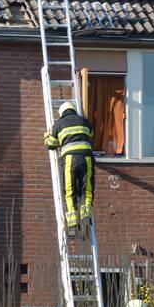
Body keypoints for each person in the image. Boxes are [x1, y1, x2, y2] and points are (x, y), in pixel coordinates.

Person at [44, 101, 96, 236]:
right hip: (87, 159)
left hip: (70, 160)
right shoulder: (85, 121)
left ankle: (73, 226)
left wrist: (46, 136)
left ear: (62, 113)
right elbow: (91, 134)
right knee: (87, 190)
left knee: (69, 191)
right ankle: (86, 218)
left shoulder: (59, 124)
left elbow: (51, 144)